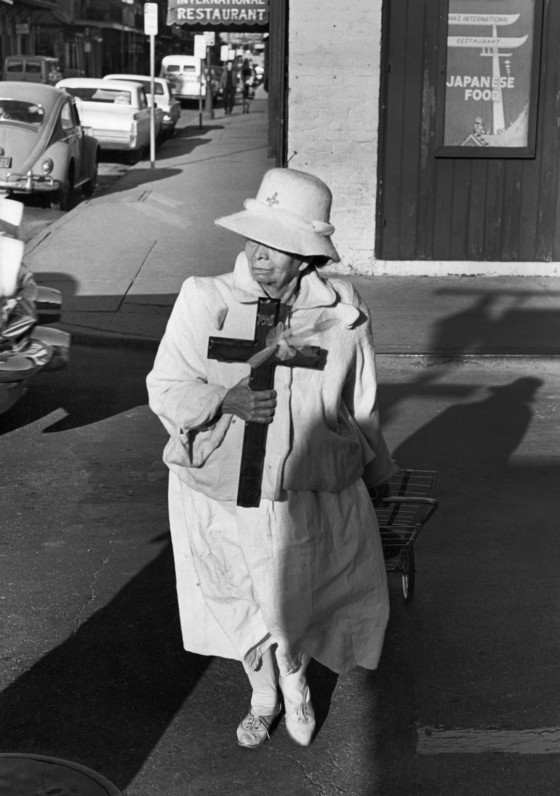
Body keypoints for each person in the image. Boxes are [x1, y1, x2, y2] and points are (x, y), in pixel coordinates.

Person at [146, 167, 398, 750]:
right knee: (237, 590)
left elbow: (360, 401)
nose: (259, 256)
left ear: (306, 257)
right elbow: (166, 385)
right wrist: (223, 399)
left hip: (304, 486)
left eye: (277, 245)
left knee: (296, 596)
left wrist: (377, 472)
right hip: (221, 484)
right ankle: (263, 695)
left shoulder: (342, 311)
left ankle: (296, 683)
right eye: (254, 240)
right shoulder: (204, 298)